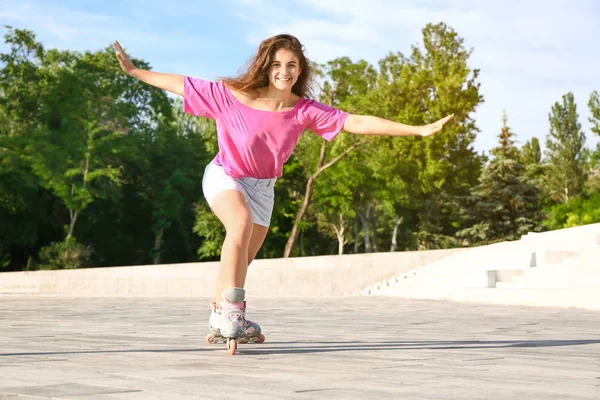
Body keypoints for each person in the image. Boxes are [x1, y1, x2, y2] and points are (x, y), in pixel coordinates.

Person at [114, 34, 453, 342]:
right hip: (225, 175)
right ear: (266, 66)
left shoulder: (303, 111)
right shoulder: (232, 96)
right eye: (277, 64)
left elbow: (357, 122)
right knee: (240, 224)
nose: (284, 71)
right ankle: (235, 312)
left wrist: (416, 130)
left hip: (264, 188)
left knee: (242, 257)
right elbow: (182, 85)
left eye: (292, 65)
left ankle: (220, 314)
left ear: (300, 70)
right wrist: (135, 72)